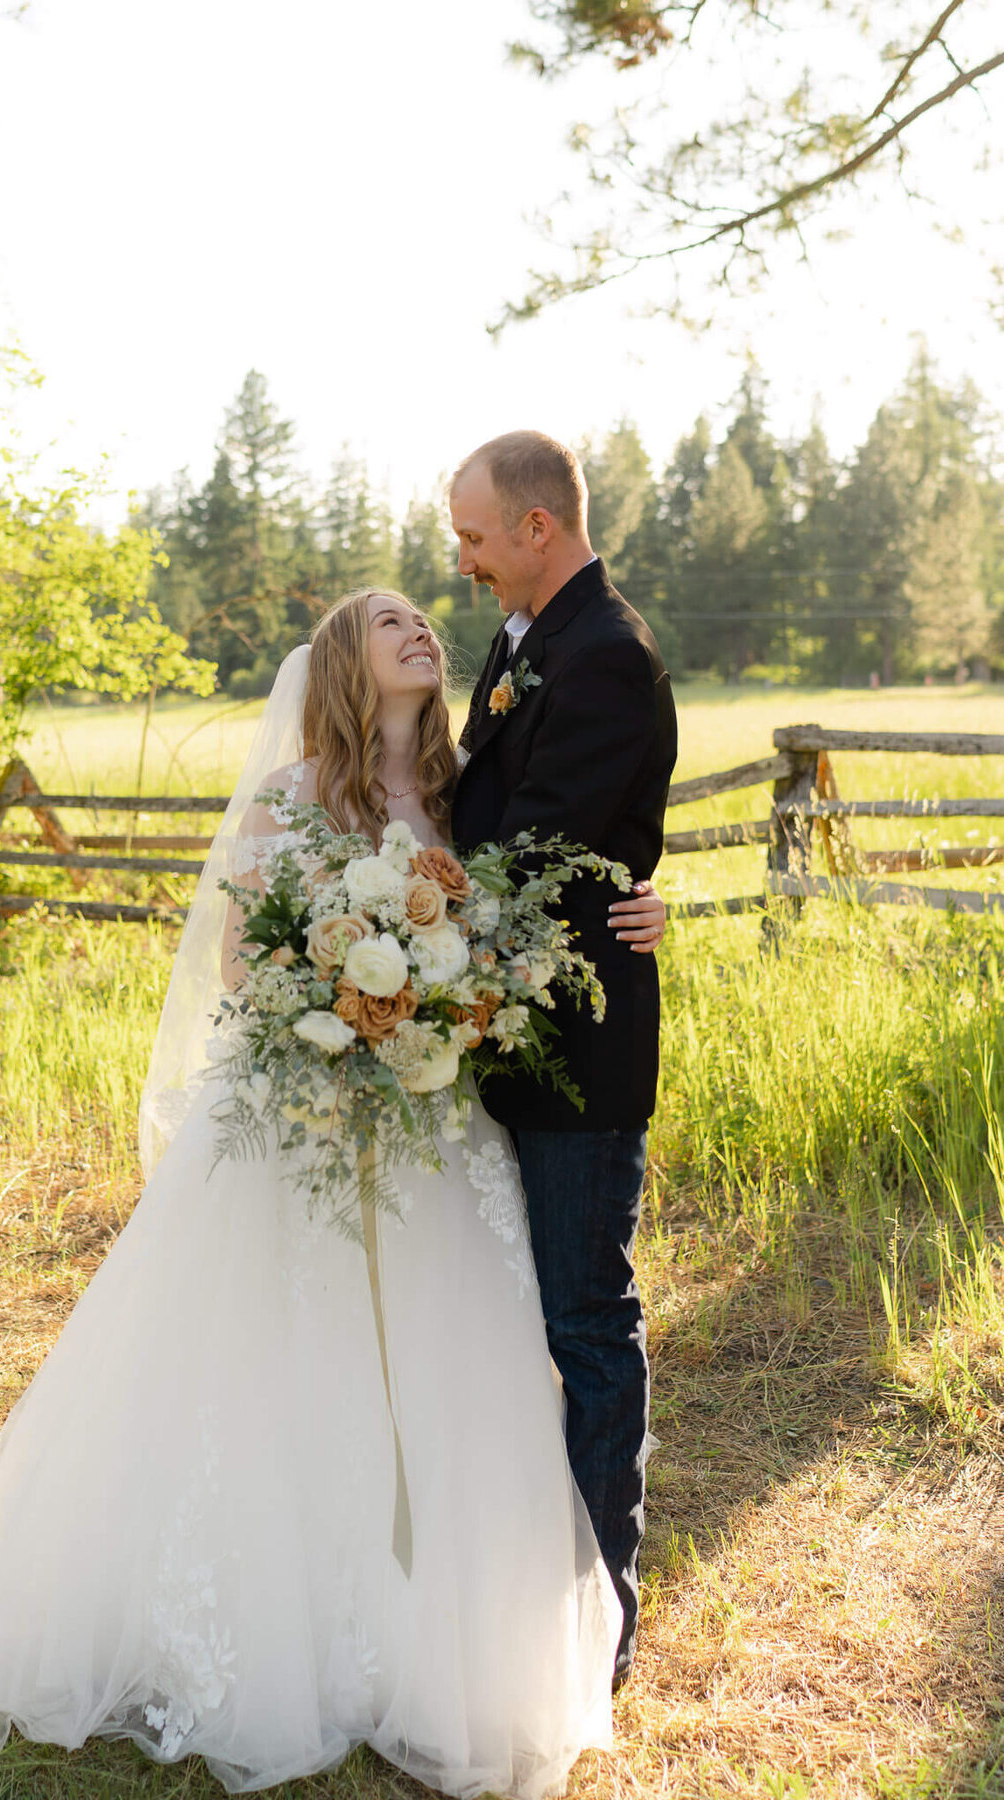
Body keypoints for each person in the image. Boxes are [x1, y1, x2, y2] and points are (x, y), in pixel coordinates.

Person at [0, 588, 667, 1797]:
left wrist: (638, 908)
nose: (423, 631)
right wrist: (338, 1026)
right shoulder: (298, 794)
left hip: (435, 1125)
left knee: (450, 1367)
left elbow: (534, 901)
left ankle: (434, 1636)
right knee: (277, 1367)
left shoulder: (472, 799)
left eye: (427, 618)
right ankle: (269, 1624)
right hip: (305, 1121)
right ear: (343, 667)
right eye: (390, 626)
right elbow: (242, 964)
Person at [450, 433, 678, 1691]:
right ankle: (513, 1590)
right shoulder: (533, 635)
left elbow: (534, 853)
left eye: (476, 538)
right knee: (510, 1318)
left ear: (538, 527)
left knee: (586, 1321)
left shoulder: (605, 657)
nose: (466, 561)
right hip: (505, 1029)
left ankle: (598, 1623)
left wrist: (401, 917)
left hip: (577, 1048)